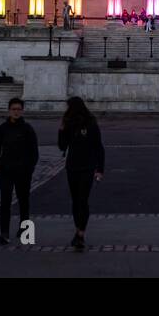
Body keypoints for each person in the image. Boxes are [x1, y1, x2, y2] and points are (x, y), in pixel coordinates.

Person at [57, 96, 105, 251]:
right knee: (75, 200)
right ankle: (78, 230)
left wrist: (100, 169)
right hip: (72, 166)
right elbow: (62, 146)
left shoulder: (90, 123)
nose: (67, 110)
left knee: (83, 200)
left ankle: (81, 233)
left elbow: (99, 147)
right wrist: (61, 130)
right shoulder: (69, 123)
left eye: (69, 107)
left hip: (87, 167)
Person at [0, 97, 39, 245]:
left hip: (23, 171)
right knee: (5, 201)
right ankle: (4, 233)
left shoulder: (28, 129)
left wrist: (30, 168)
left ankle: (25, 230)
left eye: (19, 109)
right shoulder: (3, 128)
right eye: (14, 109)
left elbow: (34, 152)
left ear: (22, 111)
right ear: (9, 110)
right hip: (5, 170)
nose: (16, 112)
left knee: (23, 200)